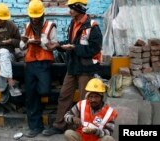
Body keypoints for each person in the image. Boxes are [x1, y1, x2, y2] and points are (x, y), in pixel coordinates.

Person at [42, 0, 103, 136]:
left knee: (85, 100)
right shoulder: (73, 23)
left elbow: (94, 49)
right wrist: (57, 45)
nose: (69, 11)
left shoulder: (93, 26)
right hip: (73, 67)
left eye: (71, 8)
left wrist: (75, 48)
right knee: (64, 96)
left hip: (86, 69)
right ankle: (59, 125)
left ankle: (85, 129)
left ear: (79, 9)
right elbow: (70, 43)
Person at [20, 0, 58, 138]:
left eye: (37, 16)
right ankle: (35, 127)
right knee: (31, 96)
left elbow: (53, 44)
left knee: (43, 90)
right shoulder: (27, 26)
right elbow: (21, 46)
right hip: (30, 63)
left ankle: (45, 119)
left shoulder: (50, 26)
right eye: (32, 16)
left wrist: (41, 42)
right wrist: (24, 42)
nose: (35, 19)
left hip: (44, 63)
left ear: (42, 14)